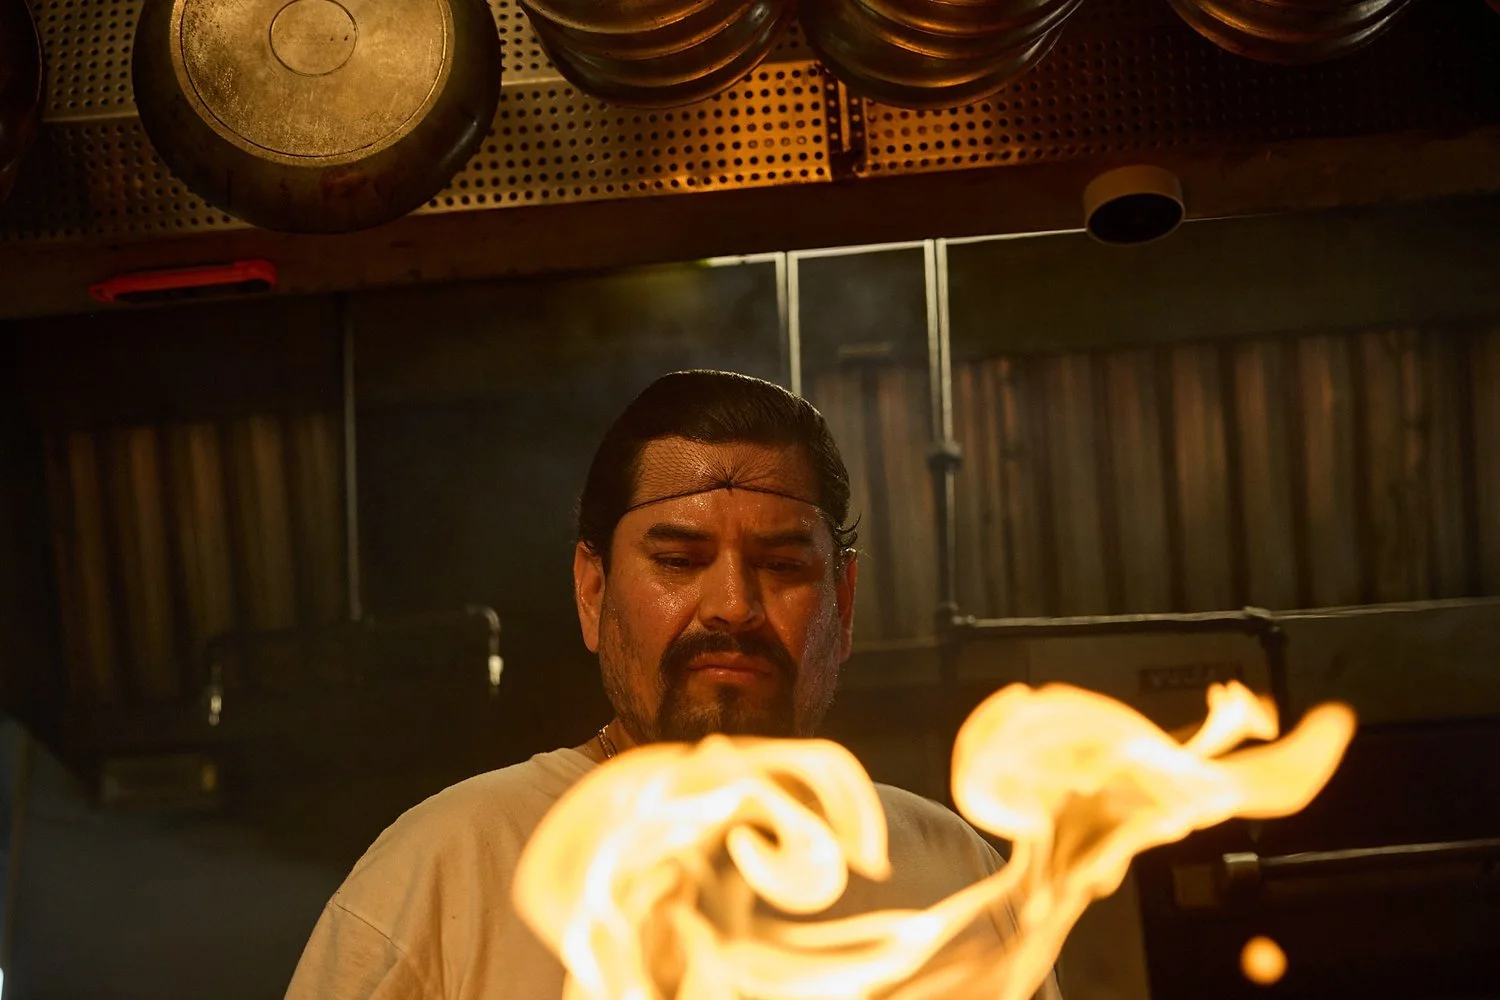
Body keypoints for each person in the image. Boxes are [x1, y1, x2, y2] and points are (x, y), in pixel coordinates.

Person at [284, 370, 1059, 1000]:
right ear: (593, 592)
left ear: (843, 604)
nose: (732, 606)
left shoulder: (953, 878)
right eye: (679, 560)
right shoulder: (447, 871)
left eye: (784, 566)